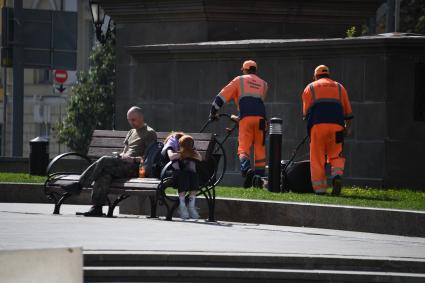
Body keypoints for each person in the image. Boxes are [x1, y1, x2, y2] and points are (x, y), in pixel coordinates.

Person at [64, 106, 157, 216]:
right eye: (129, 120)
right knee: (104, 174)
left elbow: (149, 158)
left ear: (141, 117)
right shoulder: (131, 132)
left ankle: (79, 185)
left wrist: (132, 159)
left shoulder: (150, 133)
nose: (131, 122)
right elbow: (125, 151)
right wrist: (120, 156)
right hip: (122, 165)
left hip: (135, 168)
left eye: (133, 119)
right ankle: (96, 208)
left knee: (103, 160)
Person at [209, 60, 268, 188]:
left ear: (245, 70)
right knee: (260, 150)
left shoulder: (239, 80)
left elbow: (222, 96)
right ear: (255, 70)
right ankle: (259, 180)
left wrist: (213, 111)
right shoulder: (263, 84)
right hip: (261, 120)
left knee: (243, 148)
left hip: (246, 119)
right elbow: (255, 103)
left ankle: (247, 170)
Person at [301, 65, 353, 195]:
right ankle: (337, 176)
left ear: (315, 76)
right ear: (328, 75)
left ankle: (320, 189)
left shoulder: (310, 87)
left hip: (318, 126)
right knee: (336, 154)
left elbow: (306, 114)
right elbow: (348, 114)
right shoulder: (340, 88)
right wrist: (347, 128)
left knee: (317, 157)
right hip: (337, 126)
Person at [162, 132, 201, 219]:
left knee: (194, 175)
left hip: (182, 170)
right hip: (169, 170)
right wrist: (182, 154)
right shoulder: (171, 143)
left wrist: (191, 153)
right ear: (179, 143)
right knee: (183, 175)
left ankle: (191, 206)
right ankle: (182, 206)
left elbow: (199, 158)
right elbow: (171, 156)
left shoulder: (189, 144)